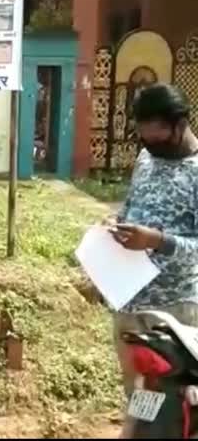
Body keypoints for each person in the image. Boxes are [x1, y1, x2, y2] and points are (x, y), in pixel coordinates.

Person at [110, 84, 198, 433]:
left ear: (180, 126)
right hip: (130, 304)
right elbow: (131, 207)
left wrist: (158, 241)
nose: (151, 147)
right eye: (145, 139)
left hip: (175, 312)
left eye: (158, 139)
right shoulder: (147, 159)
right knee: (140, 398)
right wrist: (117, 226)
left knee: (180, 403)